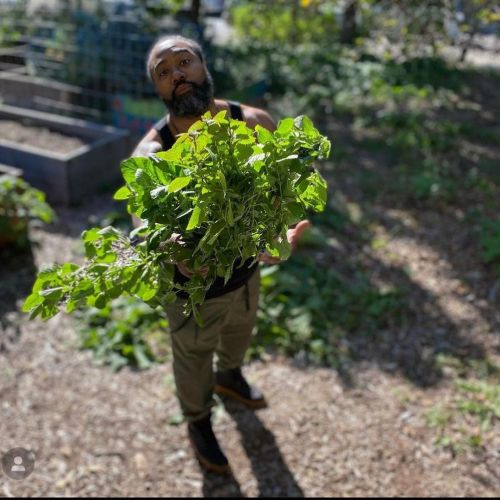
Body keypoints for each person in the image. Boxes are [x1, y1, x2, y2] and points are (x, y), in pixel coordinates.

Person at [131, 34, 311, 474]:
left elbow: (284, 193)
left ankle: (230, 378)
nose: (177, 74)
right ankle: (198, 421)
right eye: (163, 71)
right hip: (190, 289)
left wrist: (282, 232)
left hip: (246, 274)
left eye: (184, 62)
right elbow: (141, 220)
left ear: (203, 68)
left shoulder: (254, 123)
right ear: (157, 90)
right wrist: (169, 246)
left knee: (239, 334)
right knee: (193, 359)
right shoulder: (152, 154)